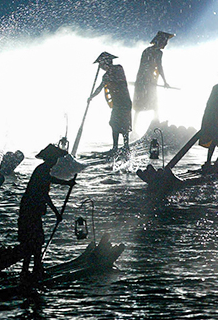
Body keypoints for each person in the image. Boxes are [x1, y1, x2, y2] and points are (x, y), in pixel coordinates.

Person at [17, 144, 76, 281]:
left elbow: (49, 183)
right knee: (34, 241)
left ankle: (33, 270)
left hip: (32, 210)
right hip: (30, 210)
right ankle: (31, 271)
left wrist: (67, 183)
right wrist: (56, 213)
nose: (56, 161)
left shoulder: (43, 170)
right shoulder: (42, 171)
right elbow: (44, 195)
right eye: (55, 158)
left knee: (34, 241)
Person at [89, 52, 132, 154]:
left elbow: (117, 79)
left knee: (124, 124)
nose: (101, 67)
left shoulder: (118, 69)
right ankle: (115, 147)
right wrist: (91, 96)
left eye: (101, 64)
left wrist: (108, 75)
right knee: (114, 124)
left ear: (106, 63)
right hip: (117, 103)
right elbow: (100, 88)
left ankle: (126, 146)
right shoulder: (106, 76)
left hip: (124, 101)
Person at [133, 31, 174, 130]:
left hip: (146, 80)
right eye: (165, 42)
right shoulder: (154, 52)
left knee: (149, 104)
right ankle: (138, 128)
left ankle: (153, 124)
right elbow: (157, 67)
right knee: (145, 105)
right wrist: (164, 81)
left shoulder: (152, 51)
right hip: (145, 81)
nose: (165, 44)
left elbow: (154, 67)